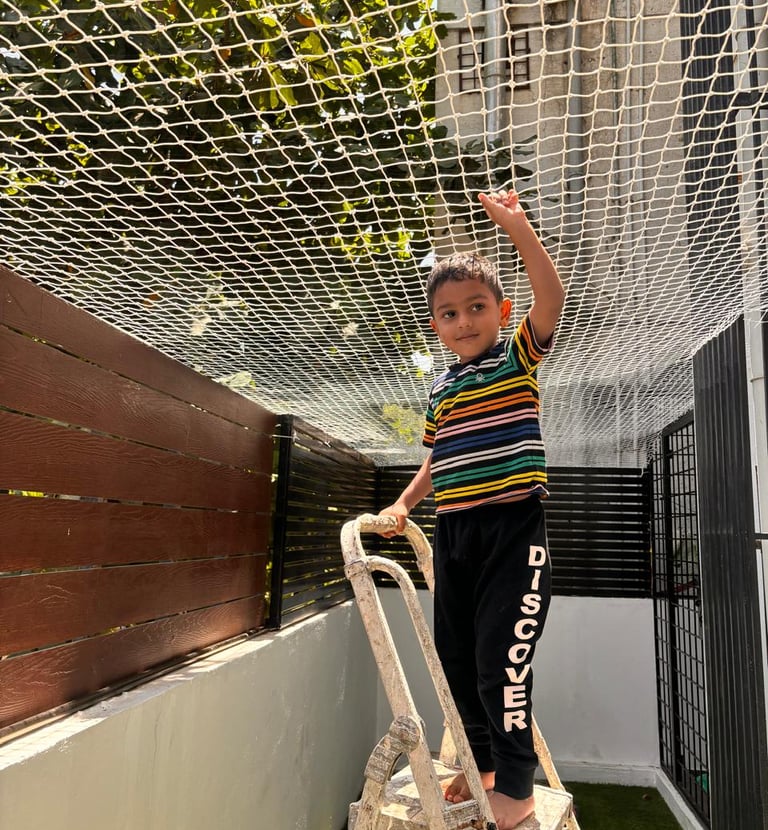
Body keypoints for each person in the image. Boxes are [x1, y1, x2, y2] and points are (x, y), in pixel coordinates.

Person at [378, 189, 565, 830]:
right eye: (450, 313)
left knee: (499, 668)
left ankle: (514, 789)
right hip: (453, 531)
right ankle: (480, 768)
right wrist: (403, 506)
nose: (464, 321)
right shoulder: (442, 386)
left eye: (477, 307)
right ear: (436, 326)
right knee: (457, 667)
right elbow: (439, 459)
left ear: (501, 311)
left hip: (513, 533)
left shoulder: (517, 355)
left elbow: (552, 300)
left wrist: (518, 232)